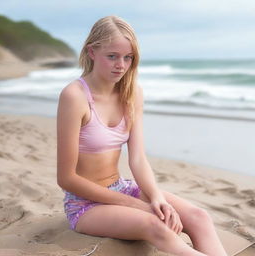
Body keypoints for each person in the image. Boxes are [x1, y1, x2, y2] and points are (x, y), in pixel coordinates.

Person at [57, 16, 227, 256]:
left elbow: (137, 159)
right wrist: (137, 205)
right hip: (85, 204)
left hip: (122, 188)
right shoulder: (74, 96)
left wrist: (156, 197)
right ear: (92, 52)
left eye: (128, 58)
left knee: (199, 217)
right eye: (112, 56)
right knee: (157, 225)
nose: (121, 65)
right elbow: (66, 179)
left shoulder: (132, 93)